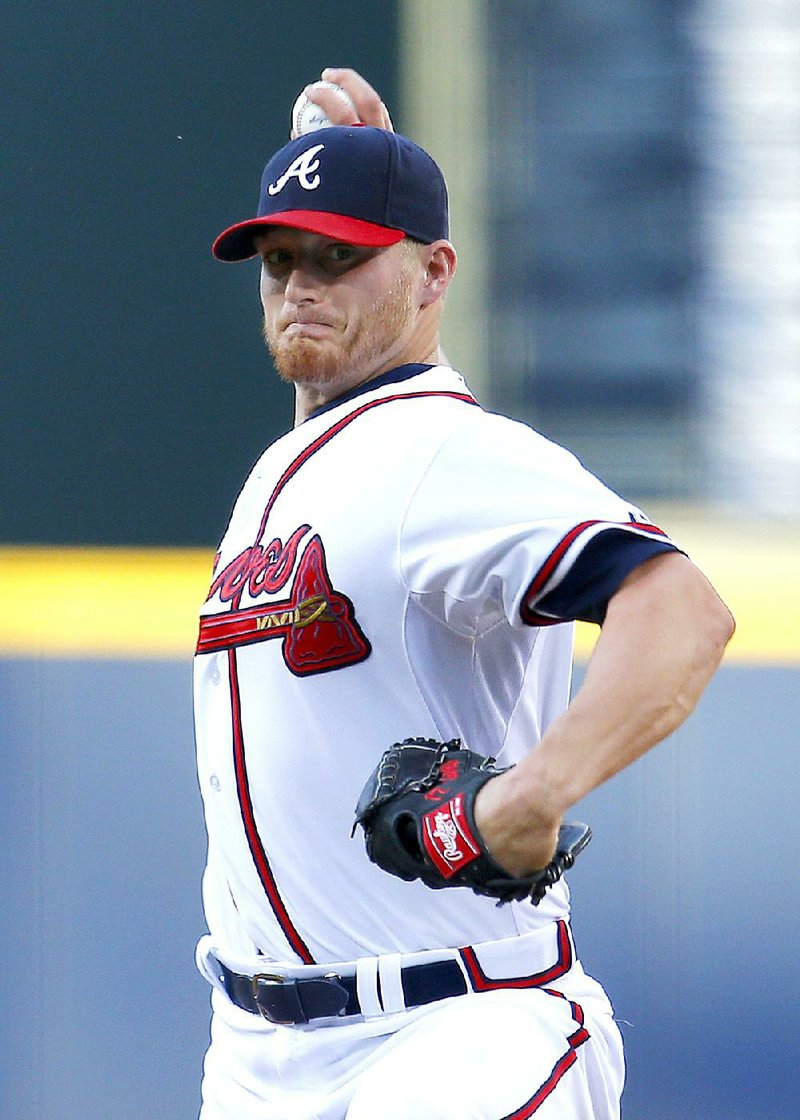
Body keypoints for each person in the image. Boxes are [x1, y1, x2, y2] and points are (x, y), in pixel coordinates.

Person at [193, 68, 734, 1120]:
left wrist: (532, 794)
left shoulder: (446, 451)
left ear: (434, 272)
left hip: (455, 1029)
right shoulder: (294, 465)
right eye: (280, 258)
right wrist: (356, 180)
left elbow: (682, 608)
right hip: (259, 1051)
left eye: (339, 257)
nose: (300, 283)